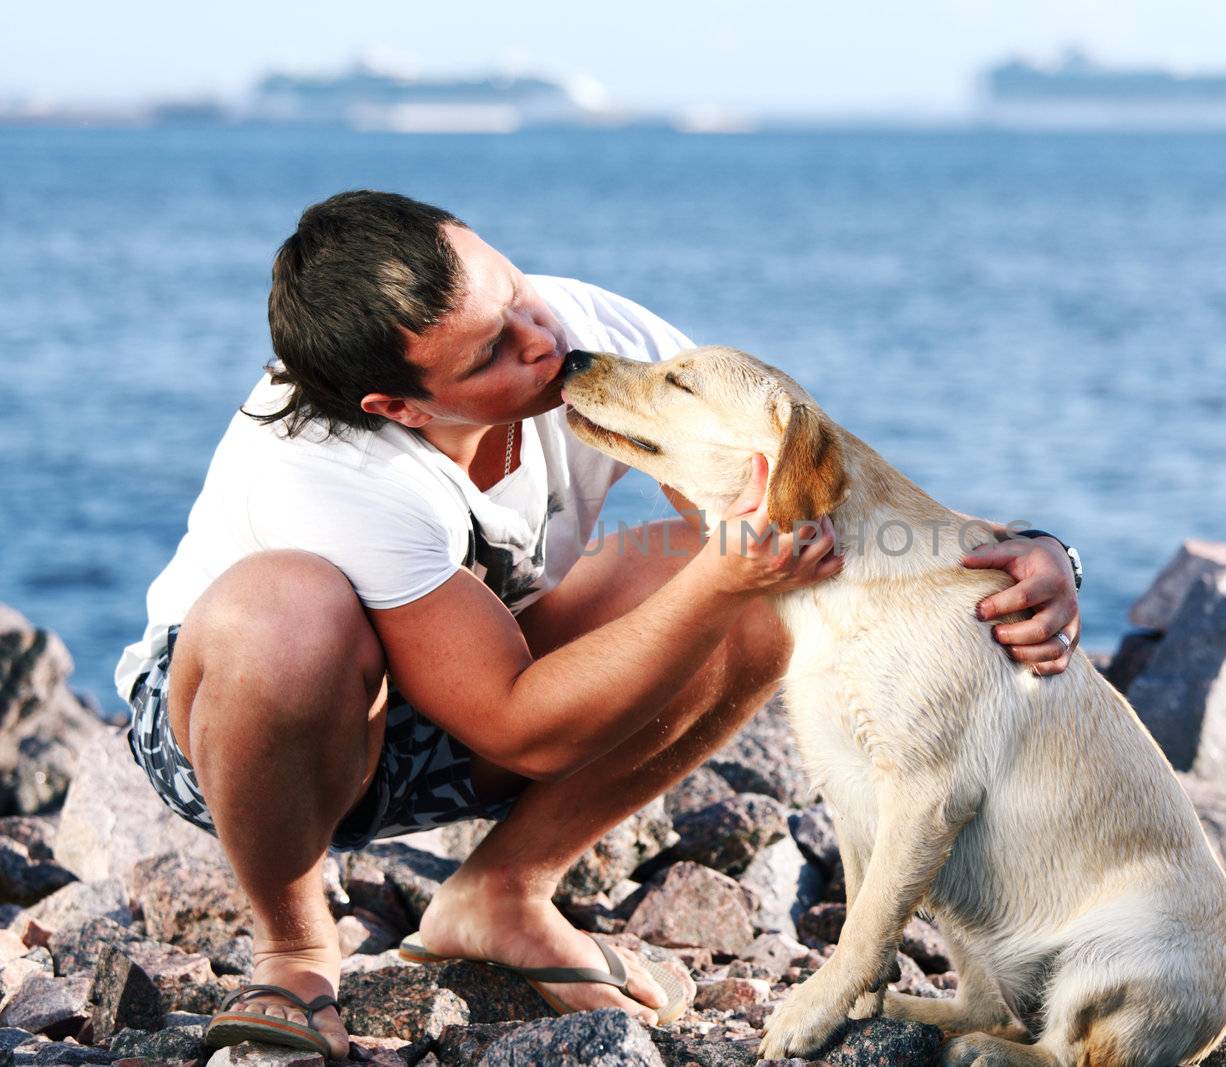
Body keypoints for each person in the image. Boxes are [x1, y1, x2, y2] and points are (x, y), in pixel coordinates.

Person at [112, 190, 1083, 1057]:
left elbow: (793, 488)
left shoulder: (572, 326)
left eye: (516, 293)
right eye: (492, 353)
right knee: (286, 612)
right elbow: (517, 726)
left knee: (759, 585)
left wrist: (1016, 552)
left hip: (453, 693)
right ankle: (294, 947)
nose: (543, 340)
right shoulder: (324, 461)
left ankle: (499, 894)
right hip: (251, 729)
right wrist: (714, 580)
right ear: (398, 406)